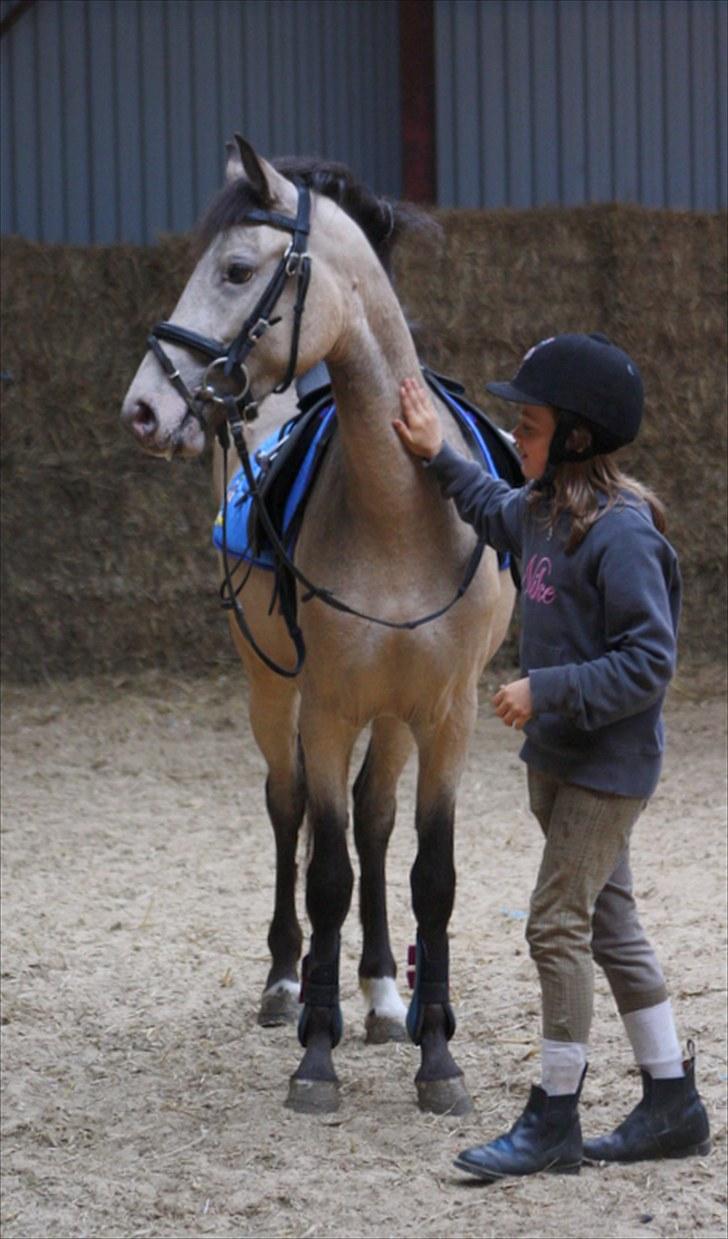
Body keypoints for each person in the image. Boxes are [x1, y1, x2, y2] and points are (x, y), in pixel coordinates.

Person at [393, 333, 711, 1181]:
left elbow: (651, 661)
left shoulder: (624, 536)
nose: (515, 439)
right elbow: (488, 502)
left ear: (573, 437)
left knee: (556, 925)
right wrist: (435, 456)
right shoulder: (539, 511)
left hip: (606, 769)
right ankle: (673, 1098)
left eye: (527, 426)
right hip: (561, 761)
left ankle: (555, 1117)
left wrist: (548, 687)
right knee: (610, 922)